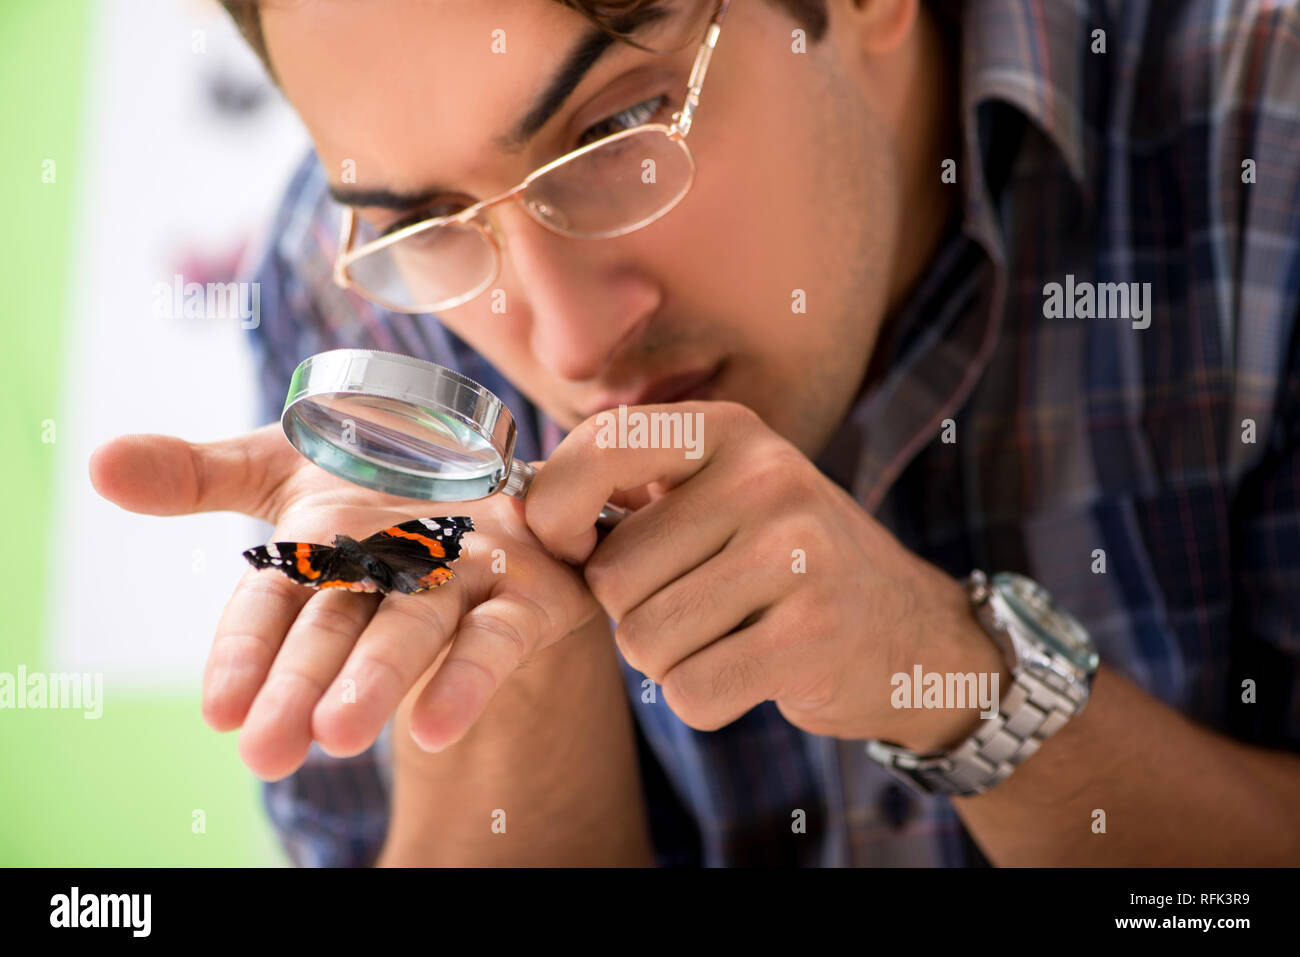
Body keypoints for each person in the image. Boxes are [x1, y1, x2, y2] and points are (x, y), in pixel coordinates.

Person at [90, 0, 1300, 866]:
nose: (565, 346)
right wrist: (501, 663)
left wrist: (962, 684)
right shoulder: (356, 281)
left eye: (612, 137)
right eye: (430, 218)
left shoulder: (1266, 128)